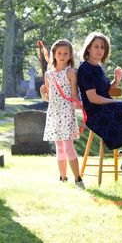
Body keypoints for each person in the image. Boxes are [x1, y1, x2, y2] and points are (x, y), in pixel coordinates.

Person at [77, 32, 122, 173]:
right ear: (88, 49)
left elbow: (105, 91)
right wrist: (113, 103)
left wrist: (116, 81)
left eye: (102, 47)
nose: (99, 50)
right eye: (96, 46)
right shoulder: (85, 68)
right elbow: (93, 98)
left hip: (105, 109)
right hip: (96, 114)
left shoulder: (97, 67)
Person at [40, 39, 85, 189]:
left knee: (67, 146)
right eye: (59, 53)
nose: (62, 56)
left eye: (66, 53)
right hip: (53, 113)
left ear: (70, 55)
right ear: (53, 55)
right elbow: (48, 99)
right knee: (59, 147)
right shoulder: (48, 75)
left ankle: (78, 179)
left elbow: (74, 94)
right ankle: (62, 178)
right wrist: (42, 94)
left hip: (66, 112)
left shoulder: (71, 72)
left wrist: (79, 105)